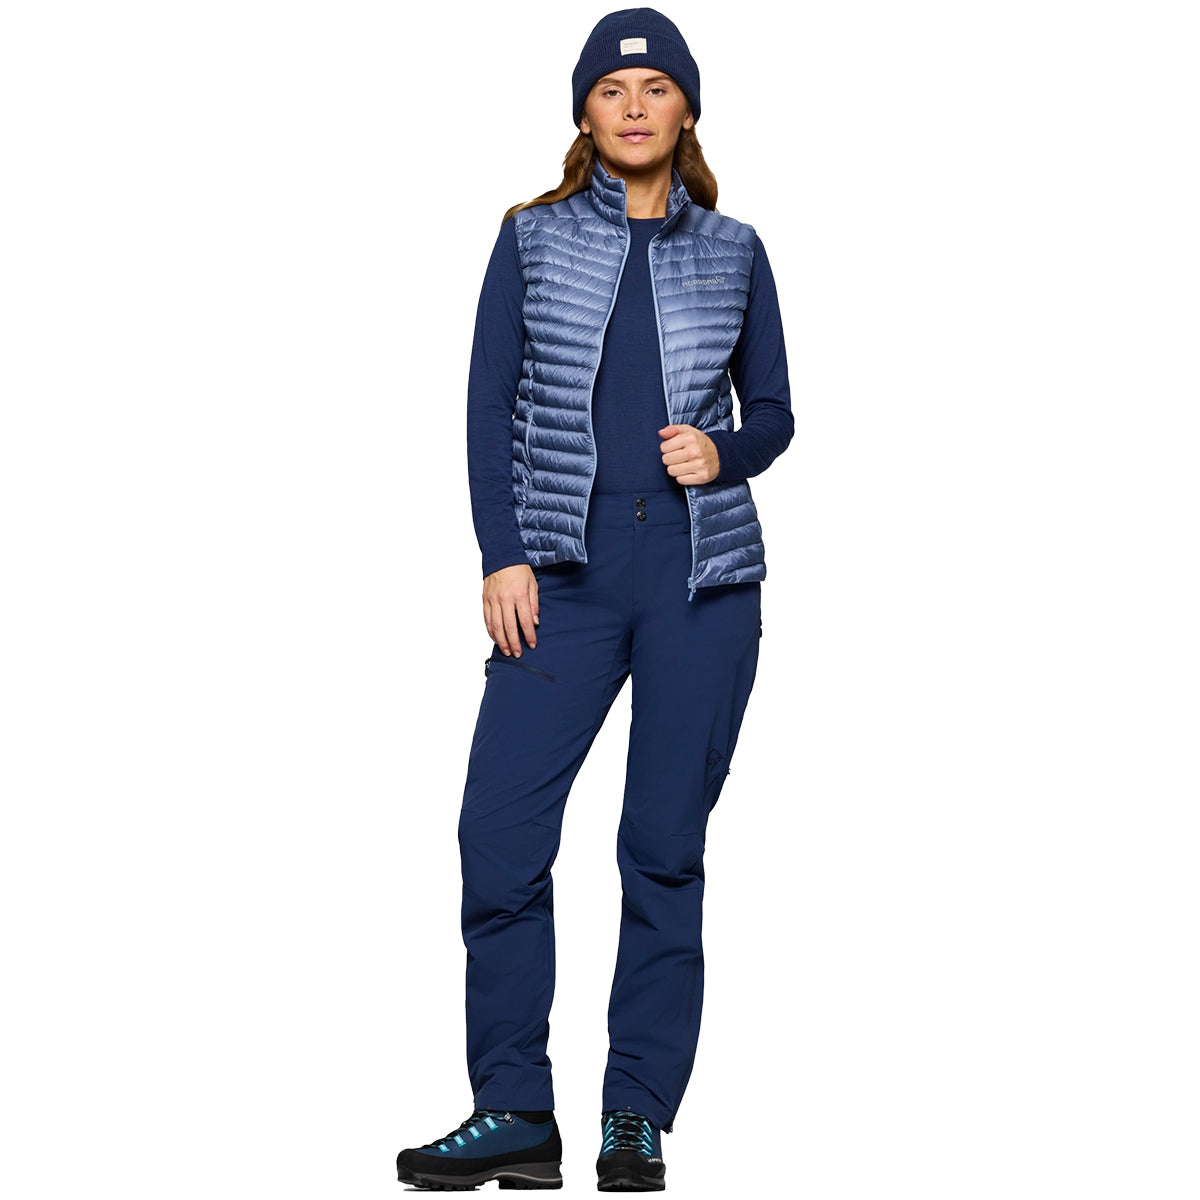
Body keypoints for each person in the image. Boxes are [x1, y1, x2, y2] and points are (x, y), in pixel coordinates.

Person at [396, 8, 793, 1192]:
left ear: (686, 110)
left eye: (656, 88)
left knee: (662, 850)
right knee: (498, 837)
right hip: (559, 580)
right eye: (613, 90)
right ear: (584, 110)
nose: (633, 106)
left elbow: (775, 410)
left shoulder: (735, 250)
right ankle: (516, 1108)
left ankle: (635, 1114)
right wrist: (502, 554)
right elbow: (488, 405)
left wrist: (725, 452)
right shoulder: (529, 240)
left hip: (699, 579)